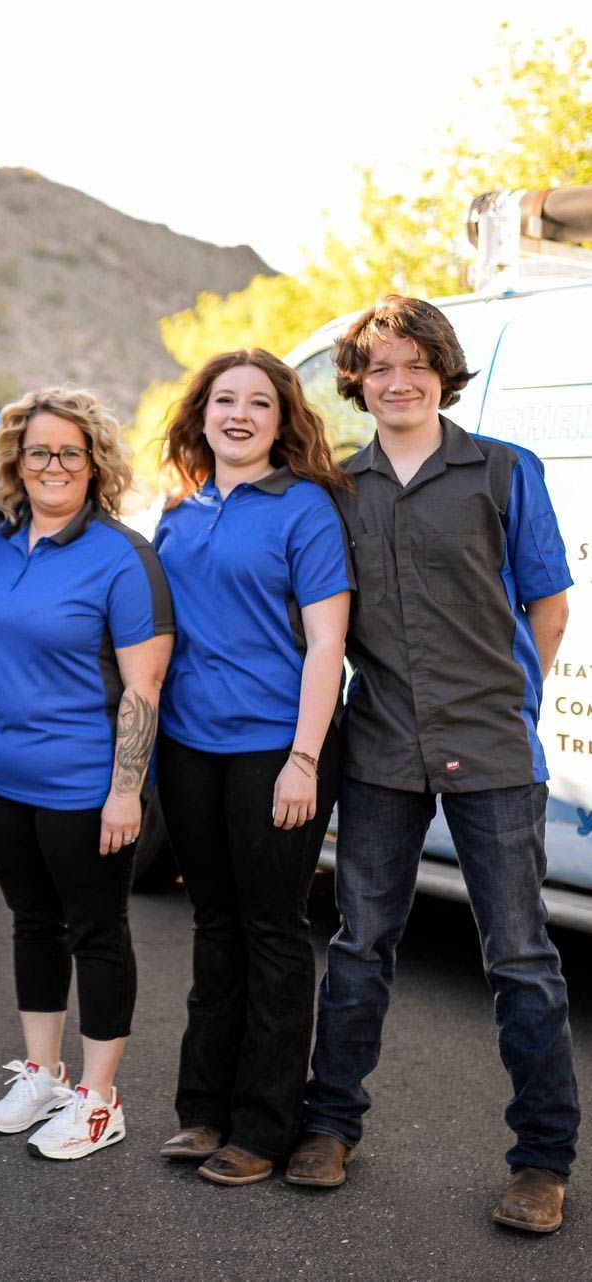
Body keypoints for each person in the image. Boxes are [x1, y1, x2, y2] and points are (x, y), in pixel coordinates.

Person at [287, 296, 579, 1234]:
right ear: (357, 383)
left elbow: (547, 606)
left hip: (492, 748)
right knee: (360, 945)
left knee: (521, 958)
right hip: (379, 750)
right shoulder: (338, 488)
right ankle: (330, 1125)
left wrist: (507, 699)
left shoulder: (503, 471)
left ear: (443, 372)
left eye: (414, 364)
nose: (397, 380)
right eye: (378, 367)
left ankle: (541, 1161)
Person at [152, 351, 352, 1185]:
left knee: (272, 933)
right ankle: (203, 1110)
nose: (238, 414)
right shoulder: (179, 512)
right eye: (223, 400)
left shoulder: (303, 507)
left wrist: (303, 760)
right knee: (213, 925)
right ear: (200, 414)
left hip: (278, 746)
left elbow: (327, 645)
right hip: (190, 746)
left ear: (281, 419)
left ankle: (265, 1127)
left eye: (258, 403)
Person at [0, 387, 174, 1159]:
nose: (52, 465)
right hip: (2, 780)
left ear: (94, 466)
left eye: (69, 453)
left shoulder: (122, 555)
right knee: (31, 924)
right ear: (15, 461)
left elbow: (143, 688)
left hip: (86, 785)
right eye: (37, 450)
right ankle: (43, 1076)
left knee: (97, 932)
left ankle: (97, 1098)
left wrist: (125, 791)